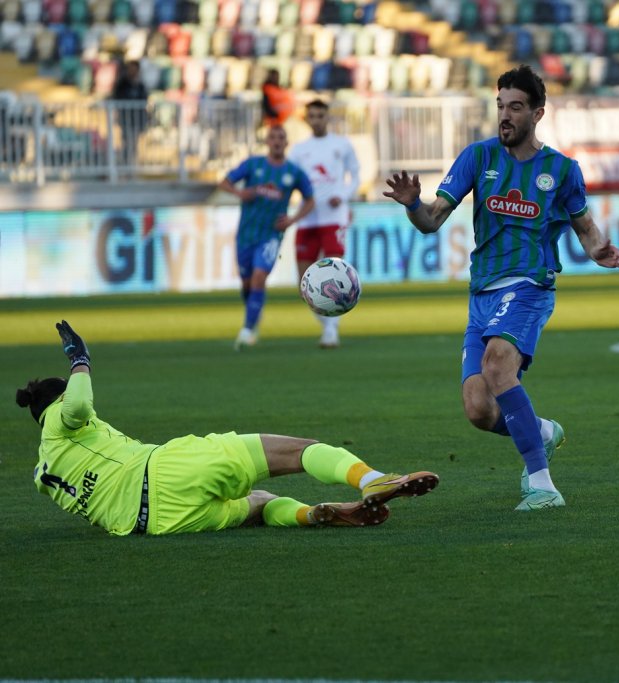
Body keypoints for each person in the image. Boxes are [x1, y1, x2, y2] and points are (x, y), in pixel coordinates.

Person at [383, 64, 619, 511]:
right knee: (478, 408)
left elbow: (585, 227)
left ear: (538, 113)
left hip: (530, 286)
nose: (505, 116)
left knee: (498, 367)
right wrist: (413, 203)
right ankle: (542, 431)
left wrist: (599, 250)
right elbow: (432, 221)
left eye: (516, 107)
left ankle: (542, 485)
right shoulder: (478, 158)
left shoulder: (562, 170)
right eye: (500, 107)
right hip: (483, 295)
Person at [16, 321, 439, 536]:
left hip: (158, 524)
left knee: (258, 503)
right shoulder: (58, 418)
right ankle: (372, 480)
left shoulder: (43, 474)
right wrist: (79, 360)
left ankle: (313, 515)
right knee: (298, 450)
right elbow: (79, 402)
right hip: (163, 471)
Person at [218, 125, 315, 350]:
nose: (277, 141)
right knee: (246, 284)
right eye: (273, 137)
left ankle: (247, 330)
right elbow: (224, 182)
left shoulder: (294, 172)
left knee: (259, 277)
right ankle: (254, 313)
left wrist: (292, 219)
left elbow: (310, 199)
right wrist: (239, 193)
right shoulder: (253, 164)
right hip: (246, 234)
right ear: (267, 142)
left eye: (281, 137)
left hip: (271, 235)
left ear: (286, 142)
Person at [288, 99, 362, 348]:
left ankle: (331, 330)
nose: (317, 120)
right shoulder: (299, 150)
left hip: (334, 218)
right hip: (307, 218)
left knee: (334, 275)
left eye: (321, 115)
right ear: (307, 119)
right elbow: (291, 182)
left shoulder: (341, 145)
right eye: (313, 116)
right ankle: (328, 325)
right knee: (304, 283)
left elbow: (356, 174)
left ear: (327, 117)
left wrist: (343, 196)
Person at [111, 60, 149, 168]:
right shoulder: (122, 84)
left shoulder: (141, 85)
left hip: (137, 120)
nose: (132, 71)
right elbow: (117, 98)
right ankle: (125, 165)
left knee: (134, 144)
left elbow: (144, 101)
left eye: (134, 69)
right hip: (126, 119)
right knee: (126, 143)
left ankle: (131, 166)